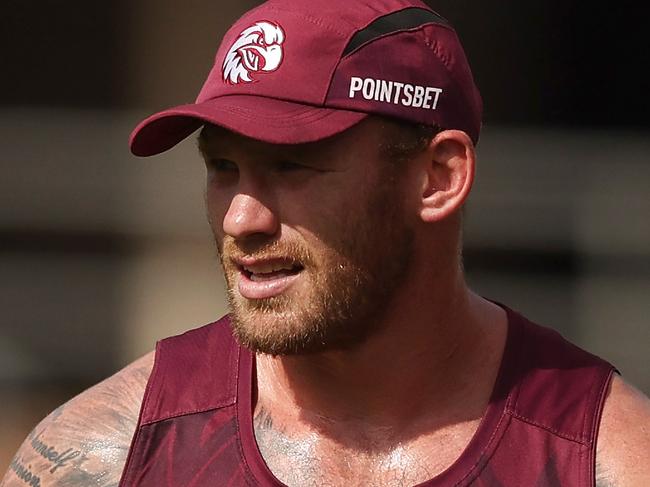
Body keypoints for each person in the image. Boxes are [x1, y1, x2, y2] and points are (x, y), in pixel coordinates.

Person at [3, 0, 649, 485]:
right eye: (222, 168)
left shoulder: (605, 459)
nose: (241, 218)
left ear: (439, 177)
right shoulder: (108, 457)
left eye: (292, 166)